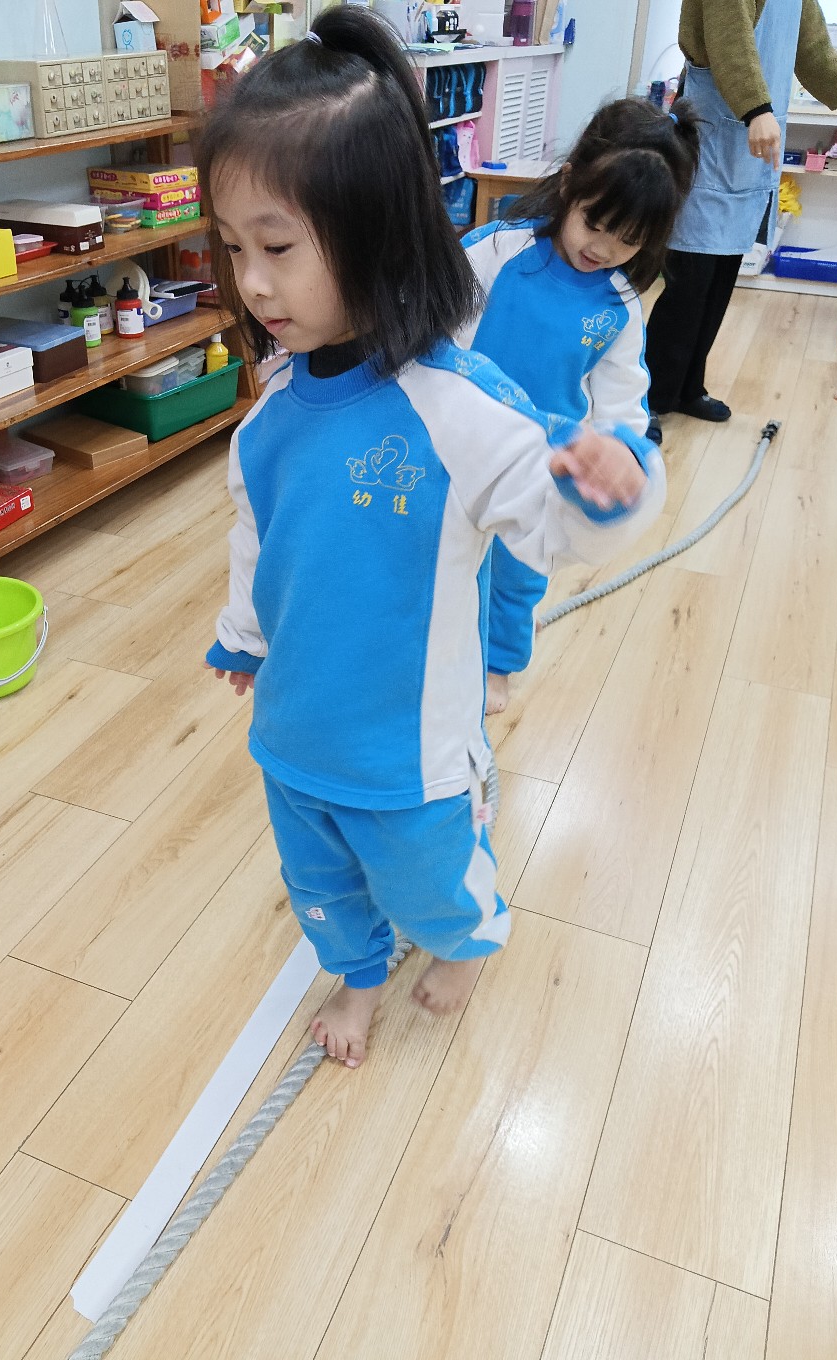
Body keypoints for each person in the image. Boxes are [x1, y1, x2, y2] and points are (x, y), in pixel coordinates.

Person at [201, 6, 666, 1068]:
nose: (251, 281)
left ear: (378, 233)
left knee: (432, 884)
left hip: (414, 755)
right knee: (318, 883)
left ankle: (470, 938)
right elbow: (256, 536)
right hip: (295, 735)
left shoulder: (459, 406)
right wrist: (243, 635)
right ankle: (356, 975)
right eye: (232, 247)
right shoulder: (268, 415)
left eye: (277, 246)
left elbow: (551, 522)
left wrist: (608, 488)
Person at [459, 98, 699, 713]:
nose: (604, 248)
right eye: (595, 223)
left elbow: (624, 401)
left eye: (628, 240)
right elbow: (438, 334)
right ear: (570, 184)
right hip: (462, 440)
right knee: (445, 548)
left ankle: (498, 661)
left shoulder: (619, 306)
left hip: (545, 459)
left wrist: (620, 452)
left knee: (519, 569)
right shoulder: (499, 252)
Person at [645, 0, 837, 429]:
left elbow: (812, 45)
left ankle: (688, 388)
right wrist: (756, 108)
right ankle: (649, 398)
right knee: (689, 282)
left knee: (722, 275)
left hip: (749, 141)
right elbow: (728, 38)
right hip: (714, 127)